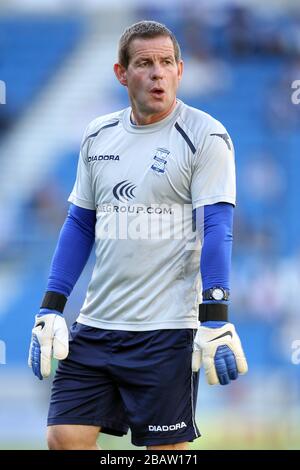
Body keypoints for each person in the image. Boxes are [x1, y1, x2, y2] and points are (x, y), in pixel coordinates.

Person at [28, 20, 248, 451]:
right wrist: (51, 307)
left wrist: (216, 316)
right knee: (63, 439)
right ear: (121, 73)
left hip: (166, 331)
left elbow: (217, 227)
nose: (157, 72)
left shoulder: (206, 135)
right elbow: (79, 223)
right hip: (96, 324)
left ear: (180, 71)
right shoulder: (97, 135)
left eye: (167, 63)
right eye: (145, 63)